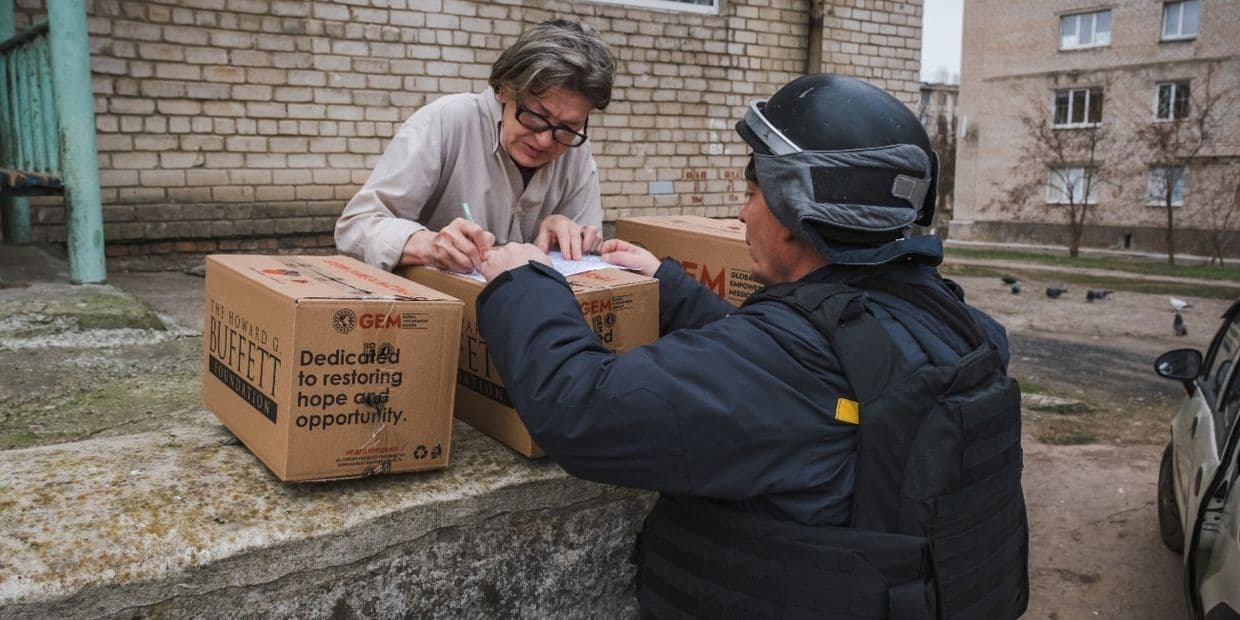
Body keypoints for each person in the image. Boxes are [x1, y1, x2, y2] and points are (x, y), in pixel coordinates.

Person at [472, 74, 1028, 619]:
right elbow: (787, 361)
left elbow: (581, 409)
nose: (741, 214)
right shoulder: (950, 320)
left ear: (793, 209)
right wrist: (670, 290)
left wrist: (522, 283)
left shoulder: (793, 364)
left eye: (752, 194)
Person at [334, 18, 615, 272]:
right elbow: (355, 227)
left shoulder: (576, 154)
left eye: (567, 128)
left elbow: (589, 269)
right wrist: (427, 244)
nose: (545, 140)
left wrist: (570, 241)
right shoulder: (446, 122)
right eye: (537, 116)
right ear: (505, 89)